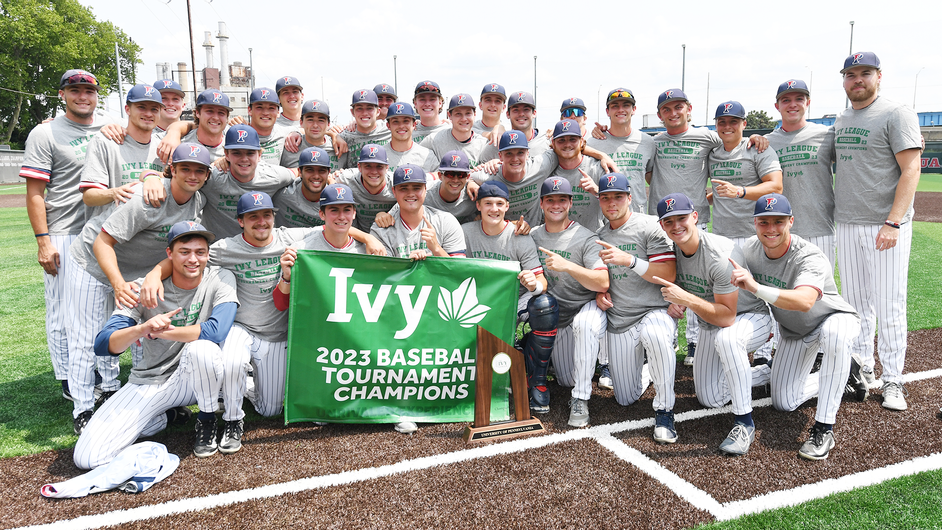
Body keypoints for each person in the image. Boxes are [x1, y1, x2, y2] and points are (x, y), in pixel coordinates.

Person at [67, 143, 210, 434]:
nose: (192, 175)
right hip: (92, 264)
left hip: (135, 270)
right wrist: (118, 283)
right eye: (185, 169)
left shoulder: (197, 202)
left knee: (133, 333)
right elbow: (102, 242)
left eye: (199, 170)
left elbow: (176, 250)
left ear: (207, 175)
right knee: (86, 338)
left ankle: (111, 391)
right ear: (172, 170)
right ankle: (82, 408)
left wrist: (155, 273)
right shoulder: (149, 198)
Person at [73, 221, 238, 469]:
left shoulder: (221, 277)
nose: (193, 259)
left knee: (202, 349)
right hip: (154, 379)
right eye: (184, 252)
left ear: (207, 254)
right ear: (169, 254)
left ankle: (207, 419)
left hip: (203, 377)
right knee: (87, 457)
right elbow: (104, 344)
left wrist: (166, 333)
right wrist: (142, 329)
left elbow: (217, 330)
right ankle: (168, 415)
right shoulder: (143, 288)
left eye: (200, 252)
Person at [733, 193, 867, 460]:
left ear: (791, 221)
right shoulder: (748, 250)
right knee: (783, 402)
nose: (771, 229)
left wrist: (757, 288)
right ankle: (845, 370)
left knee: (835, 336)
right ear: (755, 223)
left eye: (779, 222)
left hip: (831, 318)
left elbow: (806, 301)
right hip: (795, 331)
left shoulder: (809, 255)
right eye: (764, 222)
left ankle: (824, 429)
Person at [648, 89, 770, 367]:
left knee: (697, 281)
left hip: (695, 219)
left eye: (678, 106)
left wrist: (760, 137)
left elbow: (734, 139)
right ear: (659, 115)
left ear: (689, 108)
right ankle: (662, 340)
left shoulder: (707, 136)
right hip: (661, 222)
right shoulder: (653, 141)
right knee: (662, 280)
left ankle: (694, 341)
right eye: (666, 109)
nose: (673, 112)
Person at [833, 52, 922, 410]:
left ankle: (894, 380)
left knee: (889, 303)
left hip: (885, 225)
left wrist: (893, 221)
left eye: (864, 73)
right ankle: (863, 368)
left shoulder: (896, 112)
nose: (857, 80)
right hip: (848, 223)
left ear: (879, 76)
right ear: (844, 81)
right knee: (855, 306)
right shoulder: (840, 119)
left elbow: (912, 168)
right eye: (851, 74)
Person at [653, 193, 772, 456]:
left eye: (682, 218)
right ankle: (768, 375)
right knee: (710, 398)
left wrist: (685, 299)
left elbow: (728, 316)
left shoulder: (718, 253)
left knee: (727, 340)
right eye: (669, 221)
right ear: (662, 225)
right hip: (711, 322)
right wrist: (674, 303)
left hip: (750, 317)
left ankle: (744, 423)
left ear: (695, 217)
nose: (676, 226)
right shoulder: (669, 249)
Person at [20, 68, 112, 402]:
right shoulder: (45, 134)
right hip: (63, 230)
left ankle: (100, 373)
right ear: (62, 95)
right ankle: (68, 379)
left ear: (96, 95)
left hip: (102, 230)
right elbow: (34, 193)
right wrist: (43, 241)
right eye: (75, 90)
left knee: (99, 311)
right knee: (62, 311)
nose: (82, 96)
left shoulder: (109, 127)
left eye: (88, 91)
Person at [594, 173, 679, 443]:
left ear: (630, 197)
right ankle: (650, 369)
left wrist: (630, 260)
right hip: (621, 319)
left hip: (653, 311)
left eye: (618, 196)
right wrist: (600, 293)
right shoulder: (599, 235)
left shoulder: (649, 226)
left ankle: (665, 410)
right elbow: (600, 279)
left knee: (655, 335)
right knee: (625, 398)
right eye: (605, 197)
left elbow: (668, 271)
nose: (612, 202)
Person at [461, 181, 558, 415]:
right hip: (479, 304)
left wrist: (534, 285)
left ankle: (538, 382)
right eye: (488, 204)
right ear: (478, 206)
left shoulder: (519, 236)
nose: (493, 209)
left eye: (499, 204)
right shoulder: (465, 232)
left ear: (507, 207)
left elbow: (542, 282)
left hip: (515, 302)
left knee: (545, 305)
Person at [530, 177, 609, 426]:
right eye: (550, 200)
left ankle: (580, 400)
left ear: (570, 203)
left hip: (585, 310)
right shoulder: (531, 236)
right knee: (565, 380)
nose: (556, 205)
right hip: (556, 318)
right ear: (541, 203)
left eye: (562, 200)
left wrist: (568, 266)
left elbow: (602, 282)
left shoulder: (586, 237)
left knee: (585, 324)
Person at [766, 80, 837, 266]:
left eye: (799, 98)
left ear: (808, 102)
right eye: (786, 100)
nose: (793, 104)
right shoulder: (765, 143)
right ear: (777, 106)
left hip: (820, 229)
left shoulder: (827, 134)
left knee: (820, 292)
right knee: (784, 292)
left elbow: (861, 156)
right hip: (780, 231)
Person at [198, 125, 295, 238]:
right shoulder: (211, 177)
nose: (244, 159)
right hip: (218, 248)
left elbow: (297, 172)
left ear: (259, 155)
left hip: (259, 246)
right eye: (237, 153)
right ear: (226, 154)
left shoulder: (273, 176)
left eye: (250, 153)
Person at [369, 164, 466, 260]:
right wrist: (408, 265)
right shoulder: (380, 229)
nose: (410, 194)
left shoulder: (446, 221)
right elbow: (381, 273)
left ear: (425, 190)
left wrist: (436, 249)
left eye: (416, 188)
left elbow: (459, 271)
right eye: (404, 188)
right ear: (394, 191)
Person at [587, 88, 655, 214]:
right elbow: (574, 148)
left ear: (634, 109)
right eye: (615, 106)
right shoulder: (594, 142)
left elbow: (651, 178)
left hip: (637, 218)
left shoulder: (647, 142)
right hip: (605, 220)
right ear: (607, 112)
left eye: (626, 105)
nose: (620, 110)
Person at [420, 93, 498, 169]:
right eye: (458, 114)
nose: (464, 119)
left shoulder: (483, 144)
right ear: (449, 115)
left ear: (474, 114)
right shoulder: (433, 140)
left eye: (468, 113)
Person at [332, 144, 397, 231]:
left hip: (390, 236)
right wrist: (332, 183)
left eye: (379, 166)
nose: (374, 171)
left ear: (387, 168)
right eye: (368, 166)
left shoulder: (396, 184)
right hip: (356, 236)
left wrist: (391, 213)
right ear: (359, 167)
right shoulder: (347, 179)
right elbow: (325, 179)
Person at [158, 89, 232, 162]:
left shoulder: (233, 146)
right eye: (209, 111)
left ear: (227, 117)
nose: (215, 117)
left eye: (221, 113)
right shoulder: (178, 144)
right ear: (197, 113)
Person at [279, 100, 343, 171]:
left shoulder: (340, 147)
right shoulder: (289, 147)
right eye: (310, 120)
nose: (315, 125)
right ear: (301, 122)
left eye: (321, 120)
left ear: (328, 124)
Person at [338, 89, 392, 168]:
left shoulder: (389, 130)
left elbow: (408, 127)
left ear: (378, 111)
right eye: (359, 109)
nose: (364, 113)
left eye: (369, 108)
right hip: (354, 179)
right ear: (352, 112)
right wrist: (333, 135)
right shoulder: (345, 136)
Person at [383, 102, 439, 172]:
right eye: (395, 121)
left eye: (406, 121)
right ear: (388, 125)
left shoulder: (427, 155)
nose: (401, 126)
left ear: (414, 124)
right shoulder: (380, 155)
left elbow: (440, 177)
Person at [505, 91, 549, 157]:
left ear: (534, 113)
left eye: (526, 109)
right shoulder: (499, 142)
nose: (521, 114)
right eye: (516, 110)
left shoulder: (547, 141)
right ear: (508, 114)